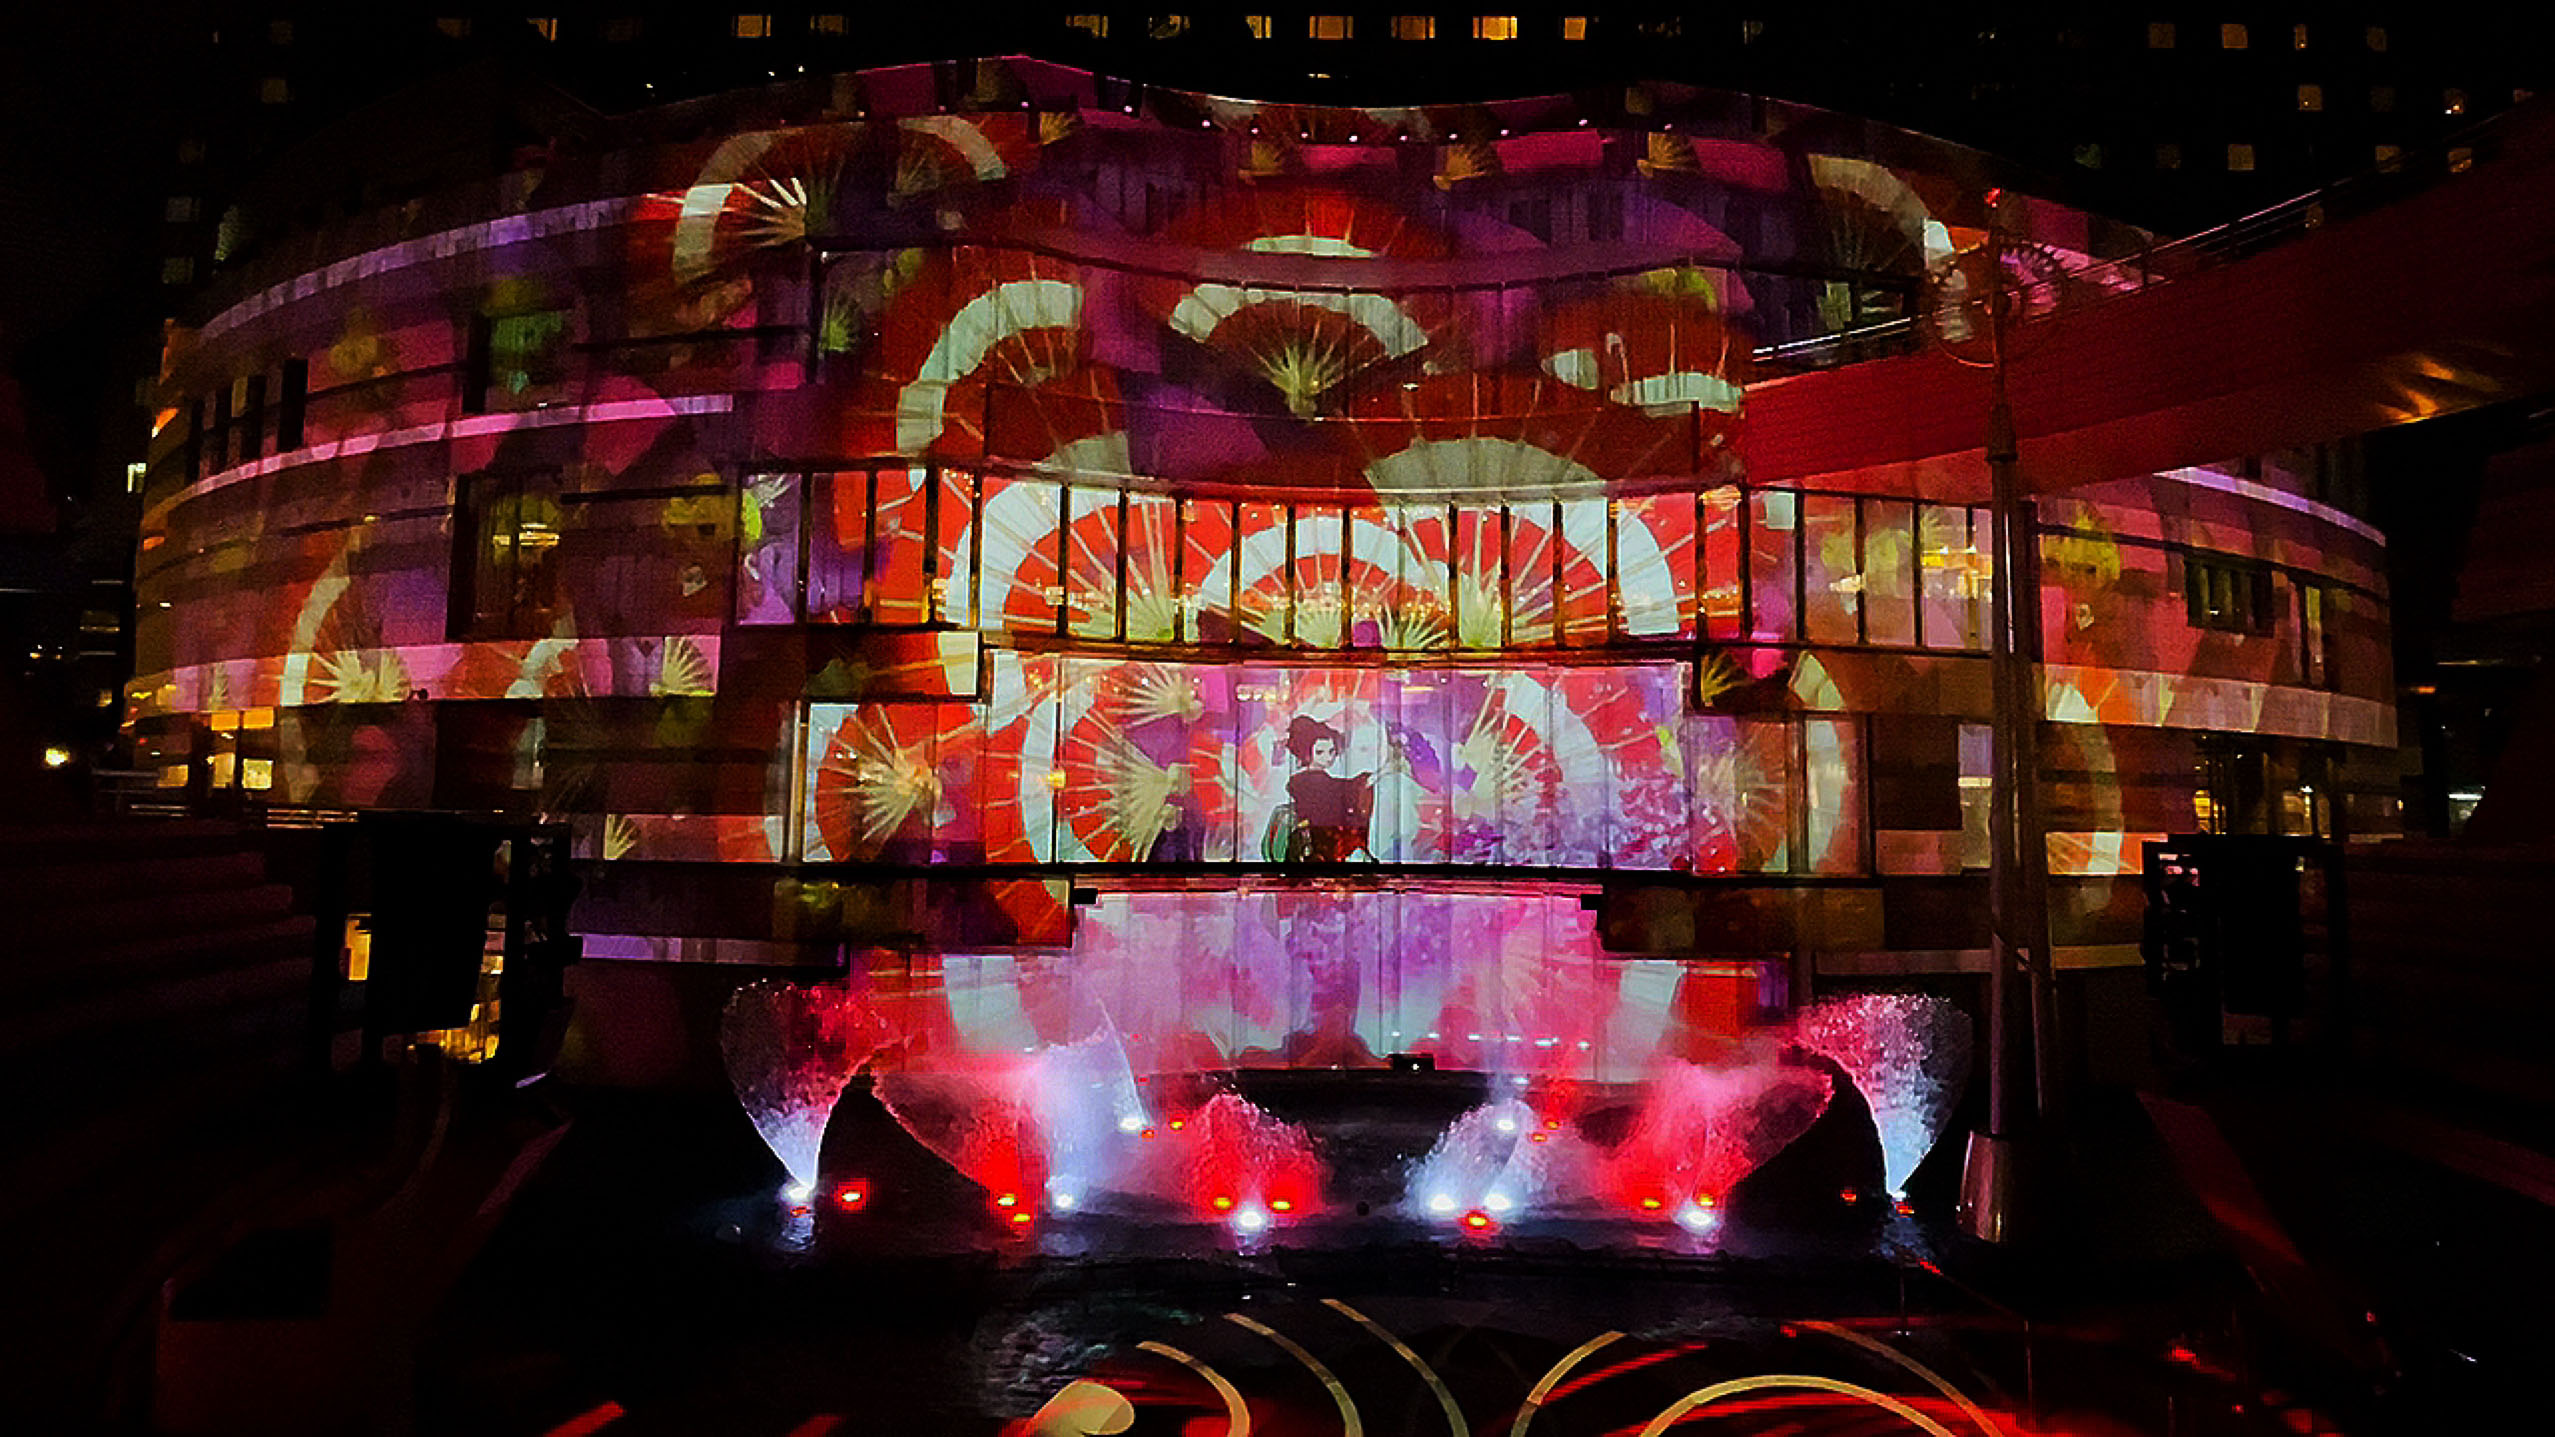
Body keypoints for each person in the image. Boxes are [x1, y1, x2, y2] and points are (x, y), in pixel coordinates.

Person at [1282, 716, 1373, 862]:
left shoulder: (1303, 780)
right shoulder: (1311, 782)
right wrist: (1365, 780)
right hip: (1321, 840)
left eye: (1331, 751)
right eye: (1320, 752)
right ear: (1306, 752)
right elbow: (1341, 789)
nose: (1328, 758)